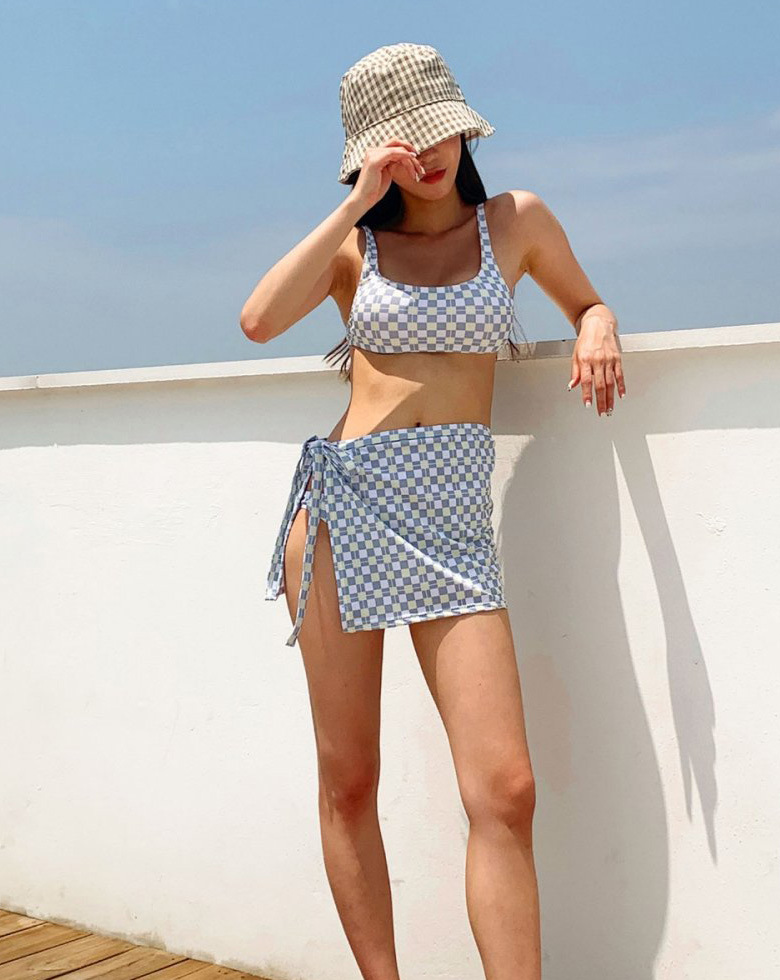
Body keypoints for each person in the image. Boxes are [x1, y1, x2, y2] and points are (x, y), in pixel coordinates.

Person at [240, 41, 625, 980]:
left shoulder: (516, 221)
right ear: (372, 154)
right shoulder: (356, 245)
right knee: (350, 779)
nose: (428, 153)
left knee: (506, 790)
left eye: (439, 130)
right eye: (402, 142)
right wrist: (355, 202)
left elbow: (585, 301)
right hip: (344, 508)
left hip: (452, 521)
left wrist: (600, 323)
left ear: (464, 127)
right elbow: (259, 319)